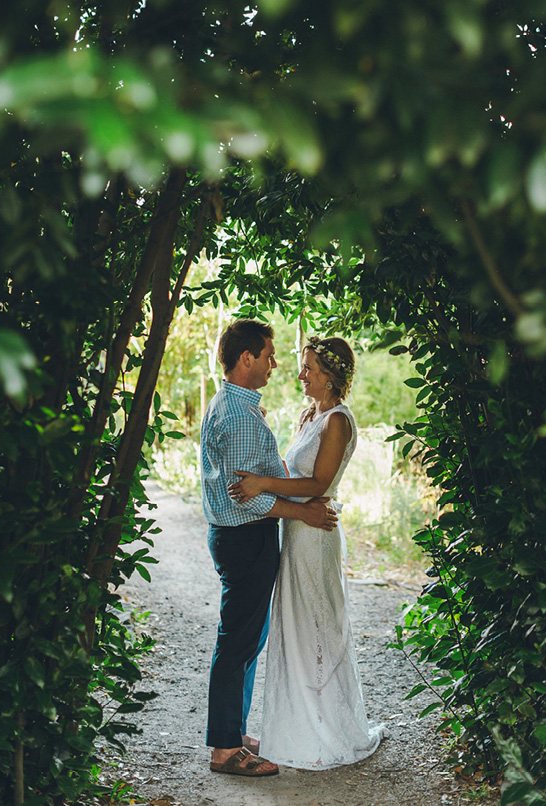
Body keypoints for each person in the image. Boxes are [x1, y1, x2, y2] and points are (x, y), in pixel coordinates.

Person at [228, 335, 388, 769]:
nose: (300, 374)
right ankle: (300, 726)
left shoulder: (338, 421)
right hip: (295, 532)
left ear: (330, 376)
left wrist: (262, 484)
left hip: (316, 534)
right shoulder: (309, 415)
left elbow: (318, 483)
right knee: (296, 628)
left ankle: (328, 729)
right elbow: (291, 470)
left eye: (309, 368)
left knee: (318, 626)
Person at [200, 319, 338, 778]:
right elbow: (250, 494)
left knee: (247, 639)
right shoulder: (239, 416)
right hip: (245, 537)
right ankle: (225, 750)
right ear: (247, 358)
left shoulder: (234, 405)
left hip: (241, 536)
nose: (275, 364)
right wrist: (304, 513)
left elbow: (259, 475)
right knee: (237, 642)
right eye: (269, 356)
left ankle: (233, 733)